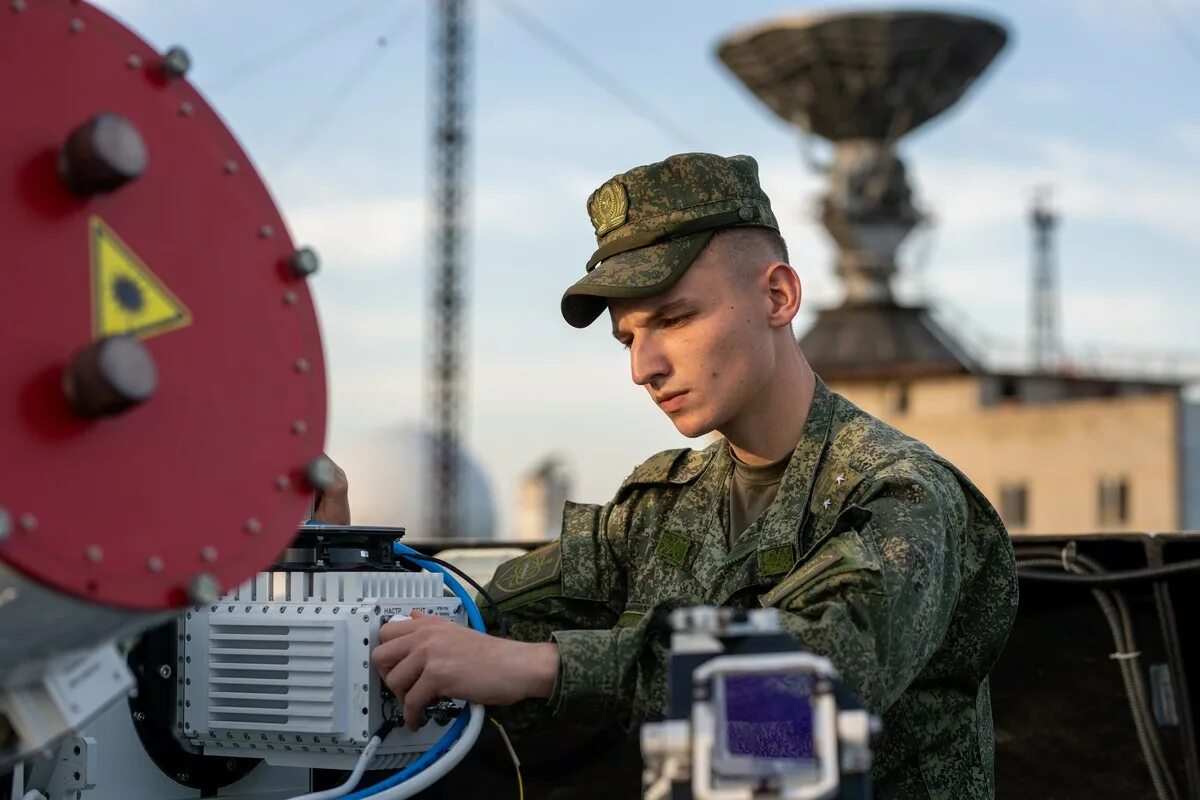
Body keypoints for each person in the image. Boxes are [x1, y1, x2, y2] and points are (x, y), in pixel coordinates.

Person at [370, 152, 1018, 799]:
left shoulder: (901, 493)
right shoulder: (661, 506)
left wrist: (544, 667)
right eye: (628, 339)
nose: (643, 367)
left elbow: (817, 682)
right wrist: (351, 562)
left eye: (674, 319)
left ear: (778, 296)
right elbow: (482, 622)